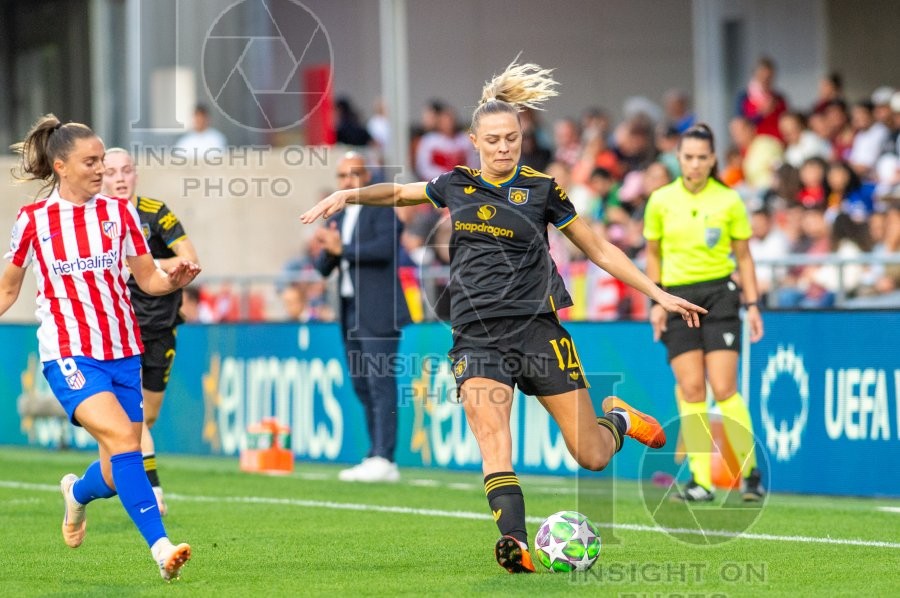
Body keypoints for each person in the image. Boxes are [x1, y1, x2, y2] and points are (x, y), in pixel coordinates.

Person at [301, 60, 707, 573]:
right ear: (474, 139)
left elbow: (599, 249)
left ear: (521, 137)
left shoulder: (543, 189)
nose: (502, 147)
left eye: (510, 138)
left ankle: (620, 419)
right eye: (492, 139)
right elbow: (400, 192)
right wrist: (346, 194)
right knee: (493, 438)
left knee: (592, 455)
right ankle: (514, 542)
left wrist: (658, 293)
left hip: (538, 328)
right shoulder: (456, 184)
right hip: (475, 335)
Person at [2, 115, 200, 579]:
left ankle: (76, 494)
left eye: (104, 161)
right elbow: (8, 289)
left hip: (124, 350)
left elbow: (147, 279)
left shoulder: (120, 213)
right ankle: (161, 549)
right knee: (123, 439)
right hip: (69, 353)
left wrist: (173, 280)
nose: (102, 171)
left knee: (118, 461)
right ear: (61, 166)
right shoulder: (33, 221)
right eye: (91, 162)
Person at [643, 124, 766, 503]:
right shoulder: (660, 200)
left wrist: (753, 304)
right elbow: (653, 255)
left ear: (713, 160)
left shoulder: (729, 201)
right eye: (688, 157)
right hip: (676, 298)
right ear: (678, 158)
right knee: (692, 388)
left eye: (702, 158)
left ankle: (750, 472)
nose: (695, 164)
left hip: (720, 295)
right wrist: (656, 303)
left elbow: (743, 257)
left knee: (724, 386)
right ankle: (701, 481)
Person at [102, 148, 200, 515]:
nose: (120, 178)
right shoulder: (94, 219)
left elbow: (190, 259)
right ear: (100, 177)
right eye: (112, 172)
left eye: (126, 170)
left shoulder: (156, 212)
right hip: (118, 329)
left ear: (136, 175)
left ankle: (116, 476)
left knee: (149, 416)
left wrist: (143, 265)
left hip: (161, 327)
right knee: (133, 416)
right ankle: (151, 491)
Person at [313, 152, 411, 482]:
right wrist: (327, 248)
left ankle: (386, 457)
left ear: (366, 177)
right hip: (350, 309)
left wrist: (343, 249)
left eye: (352, 175)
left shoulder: (380, 209)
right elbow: (324, 268)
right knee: (362, 383)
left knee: (380, 382)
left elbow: (385, 250)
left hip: (379, 310)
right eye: (341, 176)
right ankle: (374, 453)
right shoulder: (337, 218)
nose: (345, 182)